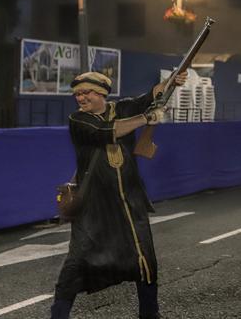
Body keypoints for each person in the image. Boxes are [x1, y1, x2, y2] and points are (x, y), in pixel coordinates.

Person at [50, 70, 185, 319]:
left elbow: (149, 97)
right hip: (94, 207)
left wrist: (169, 82)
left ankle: (150, 314)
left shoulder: (122, 108)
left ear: (101, 93)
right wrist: (146, 118)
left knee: (144, 261)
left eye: (86, 92)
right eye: (77, 94)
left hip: (129, 202)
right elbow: (108, 131)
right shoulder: (78, 120)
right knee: (76, 264)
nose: (80, 98)